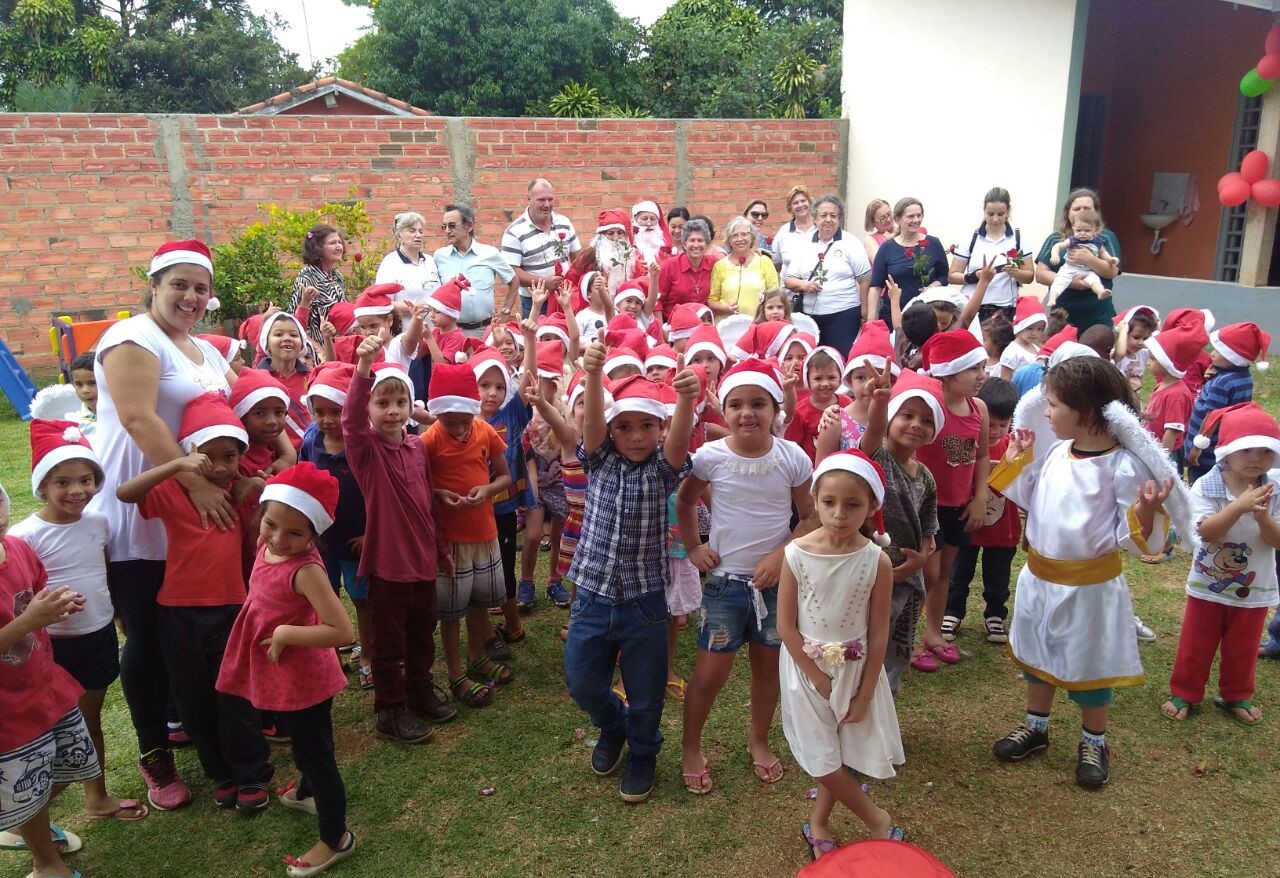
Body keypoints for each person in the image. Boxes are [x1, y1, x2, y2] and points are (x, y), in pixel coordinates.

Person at [92, 240, 236, 810]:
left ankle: (190, 720)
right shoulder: (133, 338)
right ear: (154, 284)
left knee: (190, 625)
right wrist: (194, 483)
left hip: (201, 512)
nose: (191, 296)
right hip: (144, 507)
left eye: (201, 287)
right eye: (179, 284)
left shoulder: (201, 348)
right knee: (149, 636)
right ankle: (154, 753)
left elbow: (232, 404)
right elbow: (137, 416)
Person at [990, 357, 1181, 788]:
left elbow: (1136, 540)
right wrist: (1017, 460)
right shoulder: (1057, 450)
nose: (1047, 413)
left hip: (1090, 589)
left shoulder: (1122, 467)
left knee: (1090, 665)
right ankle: (1036, 728)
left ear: (1089, 412)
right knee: (1038, 657)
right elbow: (1032, 496)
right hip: (1040, 579)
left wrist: (1146, 513)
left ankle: (1094, 739)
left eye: (1055, 405)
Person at [117, 391, 275, 813]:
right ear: (192, 454)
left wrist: (255, 485)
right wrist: (176, 465)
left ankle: (251, 773)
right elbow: (124, 493)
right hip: (177, 611)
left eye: (230, 456)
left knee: (234, 694)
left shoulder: (241, 493)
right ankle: (220, 772)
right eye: (210, 457)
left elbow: (267, 517)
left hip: (230, 609)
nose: (222, 467)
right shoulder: (172, 491)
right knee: (193, 698)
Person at [564, 346, 697, 803]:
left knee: (646, 692)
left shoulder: (663, 470)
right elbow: (592, 423)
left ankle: (643, 751)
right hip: (593, 595)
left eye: (647, 426)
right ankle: (613, 726)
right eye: (624, 427)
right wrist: (594, 373)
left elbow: (679, 443)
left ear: (659, 429)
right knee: (582, 682)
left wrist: (685, 400)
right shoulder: (599, 460)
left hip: (644, 601)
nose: (636, 436)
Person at [677, 359, 816, 795]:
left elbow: (810, 517)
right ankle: (691, 746)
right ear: (723, 411)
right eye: (735, 405)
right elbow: (684, 503)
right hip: (723, 585)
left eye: (758, 404)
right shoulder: (709, 457)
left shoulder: (792, 457)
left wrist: (780, 555)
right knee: (709, 674)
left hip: (776, 585)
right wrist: (694, 547)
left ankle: (758, 739)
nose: (746, 414)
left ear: (776, 409)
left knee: (768, 667)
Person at [217, 463, 358, 877]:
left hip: (304, 678)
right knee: (303, 740)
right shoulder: (269, 547)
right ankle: (306, 792)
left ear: (315, 535)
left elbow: (343, 630)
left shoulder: (307, 570)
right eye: (271, 524)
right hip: (281, 670)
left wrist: (284, 633)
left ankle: (336, 838)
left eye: (295, 533)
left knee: (316, 754)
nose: (279, 538)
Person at [12, 422, 147, 823]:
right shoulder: (26, 535)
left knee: (90, 721)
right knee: (57, 731)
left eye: (86, 480)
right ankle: (28, 815)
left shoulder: (99, 523)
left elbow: (103, 571)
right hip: (53, 646)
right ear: (43, 486)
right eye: (63, 482)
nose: (77, 491)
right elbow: (20, 598)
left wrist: (117, 614)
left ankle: (96, 797)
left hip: (98, 634)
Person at [779, 451, 905, 858]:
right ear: (815, 500)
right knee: (820, 756)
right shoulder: (795, 553)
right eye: (829, 502)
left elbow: (880, 631)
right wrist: (813, 673)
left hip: (855, 670)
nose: (839, 513)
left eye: (853, 504)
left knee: (841, 751)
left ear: (871, 507)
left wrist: (866, 692)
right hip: (805, 670)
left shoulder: (877, 561)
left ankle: (817, 823)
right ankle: (876, 819)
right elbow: (785, 624)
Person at [342, 339, 456, 743]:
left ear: (411, 407)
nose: (392, 411)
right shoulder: (366, 451)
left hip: (423, 562)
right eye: (382, 403)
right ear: (370, 409)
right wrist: (363, 367)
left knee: (422, 631)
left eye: (399, 403)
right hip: (389, 567)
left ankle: (419, 689)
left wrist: (441, 550)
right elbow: (350, 422)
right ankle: (389, 710)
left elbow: (427, 505)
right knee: (388, 643)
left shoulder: (416, 448)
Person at [0, 480, 104, 878]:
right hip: (9, 712)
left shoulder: (18, 549)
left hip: (44, 686)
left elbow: (36, 590)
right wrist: (29, 621)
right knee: (26, 782)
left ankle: (24, 824)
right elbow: (28, 616)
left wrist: (58, 603)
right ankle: (46, 862)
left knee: (61, 768)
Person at [1161, 403, 1279, 725]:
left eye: (1265, 451)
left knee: (1244, 645)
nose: (1257, 458)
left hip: (1254, 586)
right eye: (1247, 450)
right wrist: (1238, 507)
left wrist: (1263, 517)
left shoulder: (1275, 488)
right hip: (1208, 582)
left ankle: (1236, 694)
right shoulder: (1206, 486)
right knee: (1195, 642)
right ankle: (1184, 691)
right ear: (1227, 452)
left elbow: (1276, 540)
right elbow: (1205, 533)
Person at [421, 363, 512, 706]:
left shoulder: (485, 431)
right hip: (451, 542)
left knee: (478, 603)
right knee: (451, 612)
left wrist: (487, 491)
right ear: (438, 414)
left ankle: (477, 655)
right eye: (450, 422)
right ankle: (456, 672)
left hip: (484, 535)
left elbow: (505, 476)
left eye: (464, 420)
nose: (459, 428)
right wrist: (438, 493)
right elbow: (419, 486)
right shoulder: (429, 440)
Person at [852, 367, 942, 693]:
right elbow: (874, 431)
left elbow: (928, 522)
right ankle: (858, 700)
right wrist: (881, 401)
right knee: (864, 643)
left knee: (896, 649)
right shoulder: (878, 456)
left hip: (907, 577)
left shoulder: (926, 476)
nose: (917, 424)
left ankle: (883, 706)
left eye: (927, 420)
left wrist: (921, 559)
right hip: (868, 574)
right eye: (907, 414)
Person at [914, 331, 990, 670]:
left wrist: (979, 496)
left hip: (958, 506)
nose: (981, 376)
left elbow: (982, 454)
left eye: (983, 368)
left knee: (945, 571)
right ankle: (910, 638)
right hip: (925, 506)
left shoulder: (980, 409)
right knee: (924, 572)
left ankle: (933, 632)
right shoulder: (926, 407)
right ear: (948, 372)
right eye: (973, 369)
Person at [298, 362, 372, 688]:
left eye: (336, 411)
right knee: (323, 597)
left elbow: (380, 493)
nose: (328, 420)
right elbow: (301, 481)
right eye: (320, 411)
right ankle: (330, 656)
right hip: (321, 541)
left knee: (363, 599)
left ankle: (368, 651)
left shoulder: (364, 443)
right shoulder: (312, 440)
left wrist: (373, 534)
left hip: (357, 540)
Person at [941, 378, 1019, 644]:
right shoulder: (967, 442)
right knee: (958, 571)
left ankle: (995, 614)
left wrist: (1013, 461)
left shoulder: (1016, 446)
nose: (996, 431)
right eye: (991, 423)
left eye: (1003, 424)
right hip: (968, 521)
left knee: (998, 574)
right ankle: (952, 612)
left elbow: (1021, 483)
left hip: (1002, 525)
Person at [1138, 321, 1209, 564]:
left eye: (1154, 358)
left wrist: (1160, 458)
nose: (1148, 362)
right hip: (1155, 454)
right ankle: (1151, 537)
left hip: (1165, 457)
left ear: (1168, 363)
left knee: (1167, 501)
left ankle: (1166, 547)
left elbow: (1172, 431)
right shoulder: (1163, 385)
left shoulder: (1178, 393)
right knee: (1153, 498)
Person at [781, 194, 872, 355]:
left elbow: (865, 280)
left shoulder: (851, 243)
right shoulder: (804, 244)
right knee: (812, 357)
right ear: (815, 218)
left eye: (833, 215)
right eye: (823, 215)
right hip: (809, 316)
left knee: (842, 356)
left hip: (844, 314)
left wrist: (865, 314)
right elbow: (789, 280)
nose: (828, 220)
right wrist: (804, 285)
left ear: (839, 219)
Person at [1184, 322, 1270, 484]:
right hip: (1224, 442)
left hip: (1206, 447)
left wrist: (1198, 446)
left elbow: (1212, 416)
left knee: (1198, 480)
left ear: (1232, 357)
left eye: (1218, 351)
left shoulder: (1222, 383)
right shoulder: (1244, 377)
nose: (1212, 354)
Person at [1034, 189, 1121, 333]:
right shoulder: (1055, 238)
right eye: (1076, 209)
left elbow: (1112, 271)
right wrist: (1071, 282)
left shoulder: (1105, 237)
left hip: (1098, 315)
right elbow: (1041, 274)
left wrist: (1089, 259)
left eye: (1087, 208)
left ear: (1096, 213)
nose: (1081, 212)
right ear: (1068, 213)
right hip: (1062, 315)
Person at [947, 188, 1034, 323]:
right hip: (972, 306)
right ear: (984, 211)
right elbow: (952, 276)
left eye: (1000, 214)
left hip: (1005, 308)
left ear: (1008, 212)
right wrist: (975, 276)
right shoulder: (971, 237)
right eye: (990, 213)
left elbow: (1029, 276)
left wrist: (1015, 273)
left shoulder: (1018, 237)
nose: (995, 219)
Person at [434, 203, 520, 336]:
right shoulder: (440, 257)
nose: (447, 231)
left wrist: (505, 313)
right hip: (453, 332)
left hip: (485, 330)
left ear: (469, 226)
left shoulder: (489, 253)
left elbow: (514, 281)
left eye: (451, 226)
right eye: (443, 226)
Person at [501, 178, 581, 319]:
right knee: (537, 339)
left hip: (566, 297)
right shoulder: (514, 232)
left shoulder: (564, 222)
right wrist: (543, 282)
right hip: (536, 302)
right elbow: (510, 272)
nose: (547, 205)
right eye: (541, 200)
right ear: (529, 199)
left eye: (550, 199)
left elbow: (577, 257)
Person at [866, 197, 949, 324]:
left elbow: (944, 276)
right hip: (895, 316)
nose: (916, 220)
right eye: (910, 216)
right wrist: (870, 321)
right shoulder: (887, 248)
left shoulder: (933, 243)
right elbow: (876, 287)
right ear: (898, 219)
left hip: (928, 315)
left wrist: (933, 286)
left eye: (919, 215)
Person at [255, 311, 312, 449]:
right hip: (275, 456)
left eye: (293, 335)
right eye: (278, 334)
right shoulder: (257, 381)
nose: (287, 338)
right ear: (266, 343)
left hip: (312, 452)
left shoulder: (312, 377)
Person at [785, 346, 850, 463]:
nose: (825, 383)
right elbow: (793, 446)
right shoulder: (800, 412)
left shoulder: (847, 403)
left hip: (845, 463)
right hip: (812, 468)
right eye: (818, 378)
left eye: (831, 377)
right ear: (807, 380)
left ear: (840, 378)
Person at [708, 216, 780, 321]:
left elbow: (775, 296)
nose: (740, 239)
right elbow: (712, 300)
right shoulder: (720, 266)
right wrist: (726, 308)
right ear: (729, 240)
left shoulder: (764, 262)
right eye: (735, 235)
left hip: (758, 323)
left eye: (744, 234)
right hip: (728, 325)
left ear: (752, 237)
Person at [289, 225, 347, 344]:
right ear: (317, 248)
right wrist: (317, 351)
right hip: (317, 351)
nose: (338, 247)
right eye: (332, 243)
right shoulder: (306, 278)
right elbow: (295, 324)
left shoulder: (337, 276)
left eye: (339, 242)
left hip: (339, 346)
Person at [1045, 209, 1117, 305]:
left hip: (1087, 270)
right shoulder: (1073, 240)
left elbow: (1103, 252)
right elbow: (1058, 246)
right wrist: (1055, 256)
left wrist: (1110, 259)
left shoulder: (1097, 241)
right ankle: (1052, 298)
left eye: (1087, 230)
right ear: (1073, 228)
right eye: (1078, 230)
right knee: (1059, 281)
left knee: (1095, 280)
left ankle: (1100, 292)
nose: (1082, 233)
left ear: (1095, 230)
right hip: (1069, 269)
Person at [655, 218, 719, 321]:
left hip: (702, 325)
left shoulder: (714, 264)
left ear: (707, 244)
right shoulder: (669, 266)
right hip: (672, 326)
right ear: (684, 244)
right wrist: (662, 332)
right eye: (692, 240)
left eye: (700, 240)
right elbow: (657, 301)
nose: (696, 245)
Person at [373, 212, 440, 307]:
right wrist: (414, 307)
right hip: (406, 322)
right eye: (412, 231)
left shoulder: (430, 261)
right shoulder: (390, 263)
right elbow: (382, 303)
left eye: (420, 231)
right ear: (399, 236)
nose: (418, 235)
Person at [998, 298, 1047, 380]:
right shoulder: (1012, 352)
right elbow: (1005, 381)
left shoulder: (1037, 349)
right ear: (1020, 326)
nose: (1034, 333)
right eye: (1029, 328)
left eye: (1039, 329)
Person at [771, 186, 816, 276]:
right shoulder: (783, 232)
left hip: (818, 288)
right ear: (790, 208)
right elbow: (776, 263)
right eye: (795, 203)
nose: (800, 205)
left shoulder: (821, 228)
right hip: (790, 289)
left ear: (810, 203)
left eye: (803, 201)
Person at [69, 351, 98, 438]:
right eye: (79, 384)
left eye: (92, 383)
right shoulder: (76, 420)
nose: (85, 390)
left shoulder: (120, 413)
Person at [861, 198, 895, 266]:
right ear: (872, 222)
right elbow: (879, 264)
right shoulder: (869, 240)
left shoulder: (902, 229)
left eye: (889, 214)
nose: (888, 219)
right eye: (882, 218)